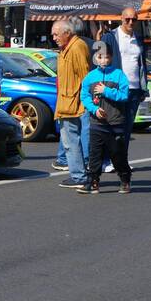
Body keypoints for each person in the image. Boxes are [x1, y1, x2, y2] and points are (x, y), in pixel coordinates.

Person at [78, 43, 133, 195]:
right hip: (97, 123)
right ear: (95, 58)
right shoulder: (90, 77)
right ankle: (93, 181)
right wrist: (94, 109)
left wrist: (106, 91)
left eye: (107, 57)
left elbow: (124, 96)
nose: (104, 60)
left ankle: (125, 179)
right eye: (100, 57)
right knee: (95, 154)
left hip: (115, 122)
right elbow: (84, 96)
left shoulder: (119, 75)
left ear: (112, 57)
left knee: (117, 154)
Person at [51, 19, 92, 188]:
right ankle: (80, 174)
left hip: (74, 103)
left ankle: (79, 177)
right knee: (71, 141)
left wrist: (86, 101)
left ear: (67, 33)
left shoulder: (76, 47)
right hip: (68, 103)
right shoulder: (67, 48)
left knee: (71, 141)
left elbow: (85, 76)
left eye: (56, 34)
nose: (53, 37)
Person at [101, 7, 148, 154]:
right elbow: (100, 62)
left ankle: (121, 161)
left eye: (134, 19)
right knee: (112, 125)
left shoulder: (138, 39)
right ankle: (107, 160)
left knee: (127, 128)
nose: (130, 22)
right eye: (127, 19)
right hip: (115, 88)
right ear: (121, 19)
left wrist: (143, 88)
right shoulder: (110, 37)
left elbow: (142, 64)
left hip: (133, 90)